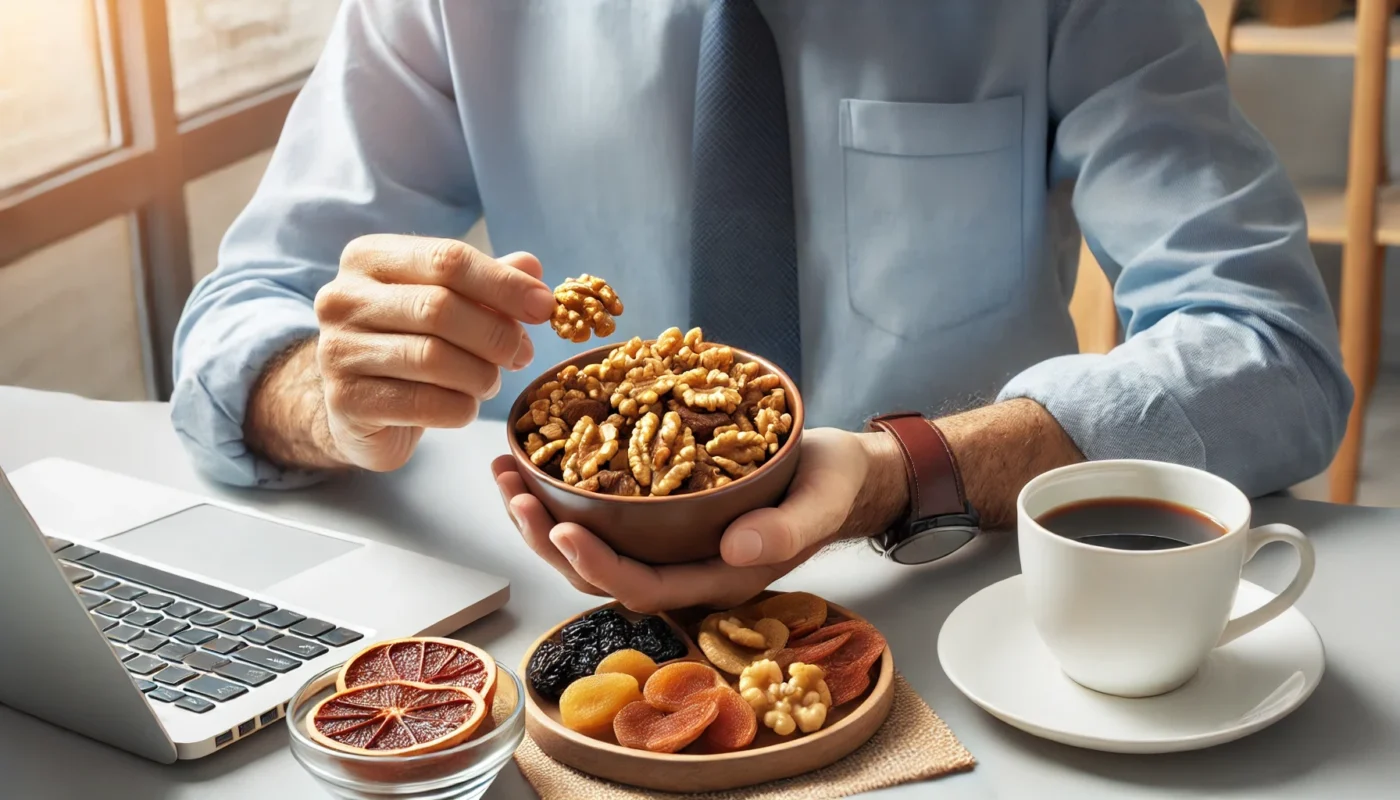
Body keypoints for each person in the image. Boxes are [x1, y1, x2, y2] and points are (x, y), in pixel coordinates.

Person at [171, 0, 1352, 612]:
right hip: (559, 617)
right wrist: (325, 397)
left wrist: (914, 467)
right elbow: (236, 328)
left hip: (960, 603)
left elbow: (1271, 343)